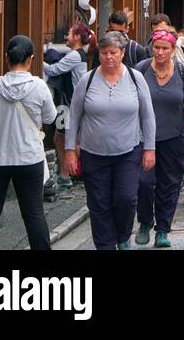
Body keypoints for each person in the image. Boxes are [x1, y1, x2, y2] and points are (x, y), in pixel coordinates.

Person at [64, 30, 156, 251]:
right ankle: (105, 245)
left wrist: (149, 148)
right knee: (98, 203)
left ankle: (123, 235)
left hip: (128, 150)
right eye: (104, 53)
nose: (109, 57)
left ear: (122, 53)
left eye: (113, 52)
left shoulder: (136, 78)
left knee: (126, 199)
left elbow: (148, 115)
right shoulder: (87, 80)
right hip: (93, 152)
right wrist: (69, 149)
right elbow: (74, 115)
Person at [0, 35, 57, 251]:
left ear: (6, 58)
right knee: (34, 214)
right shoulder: (39, 87)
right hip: (29, 158)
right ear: (31, 59)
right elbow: (50, 118)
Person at [134, 28, 184, 247]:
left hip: (174, 137)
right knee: (143, 183)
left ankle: (162, 229)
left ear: (172, 49)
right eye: (156, 47)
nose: (159, 52)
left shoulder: (182, 71)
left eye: (164, 48)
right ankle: (144, 222)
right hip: (143, 139)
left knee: (169, 184)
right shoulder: (141, 70)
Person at [42, 20, 96, 188]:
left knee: (67, 140)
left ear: (78, 37)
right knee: (64, 138)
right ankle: (66, 174)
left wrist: (35, 57)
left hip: (71, 104)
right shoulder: (78, 54)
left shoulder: (74, 55)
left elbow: (53, 70)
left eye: (70, 33)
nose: (67, 36)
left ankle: (81, 173)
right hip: (72, 103)